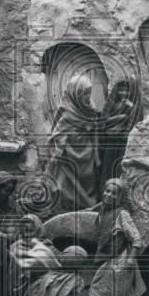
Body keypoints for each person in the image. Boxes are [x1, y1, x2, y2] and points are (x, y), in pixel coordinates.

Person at [87, 178, 149, 296]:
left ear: (120, 197)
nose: (109, 195)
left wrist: (131, 260)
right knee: (134, 293)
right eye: (107, 191)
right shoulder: (105, 209)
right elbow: (97, 207)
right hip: (111, 258)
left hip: (120, 261)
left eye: (114, 193)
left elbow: (137, 239)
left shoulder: (122, 215)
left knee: (98, 290)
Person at [44, 73, 101, 217]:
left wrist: (96, 154)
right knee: (68, 187)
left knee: (89, 181)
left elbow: (95, 129)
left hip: (87, 154)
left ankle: (88, 211)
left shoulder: (90, 108)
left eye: (89, 93)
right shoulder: (68, 112)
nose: (87, 97)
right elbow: (58, 134)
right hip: (70, 155)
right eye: (84, 94)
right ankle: (68, 213)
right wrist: (58, 152)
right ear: (75, 94)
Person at [97, 75, 142, 193]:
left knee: (119, 169)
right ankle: (105, 191)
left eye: (127, 90)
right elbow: (104, 120)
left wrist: (129, 108)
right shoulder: (113, 104)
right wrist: (120, 117)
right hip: (110, 141)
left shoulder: (134, 107)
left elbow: (133, 121)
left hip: (122, 142)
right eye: (121, 90)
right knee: (107, 167)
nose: (124, 93)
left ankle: (118, 193)